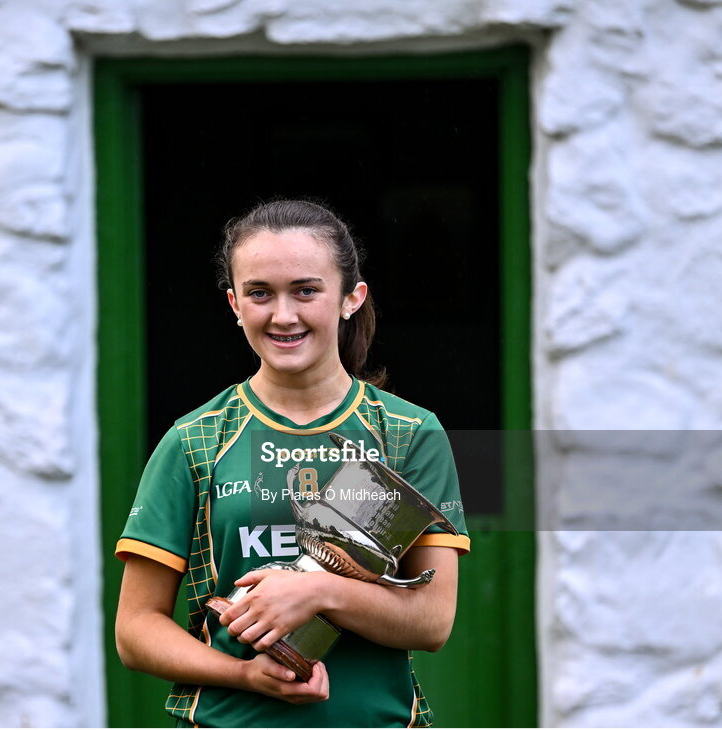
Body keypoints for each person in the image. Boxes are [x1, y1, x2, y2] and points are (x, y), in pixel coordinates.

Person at [114, 199, 470, 727]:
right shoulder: (194, 439)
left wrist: (318, 589)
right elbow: (135, 630)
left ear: (352, 298)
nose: (283, 315)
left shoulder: (407, 433)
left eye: (306, 290)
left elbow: (432, 621)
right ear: (235, 304)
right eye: (260, 294)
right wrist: (243, 675)